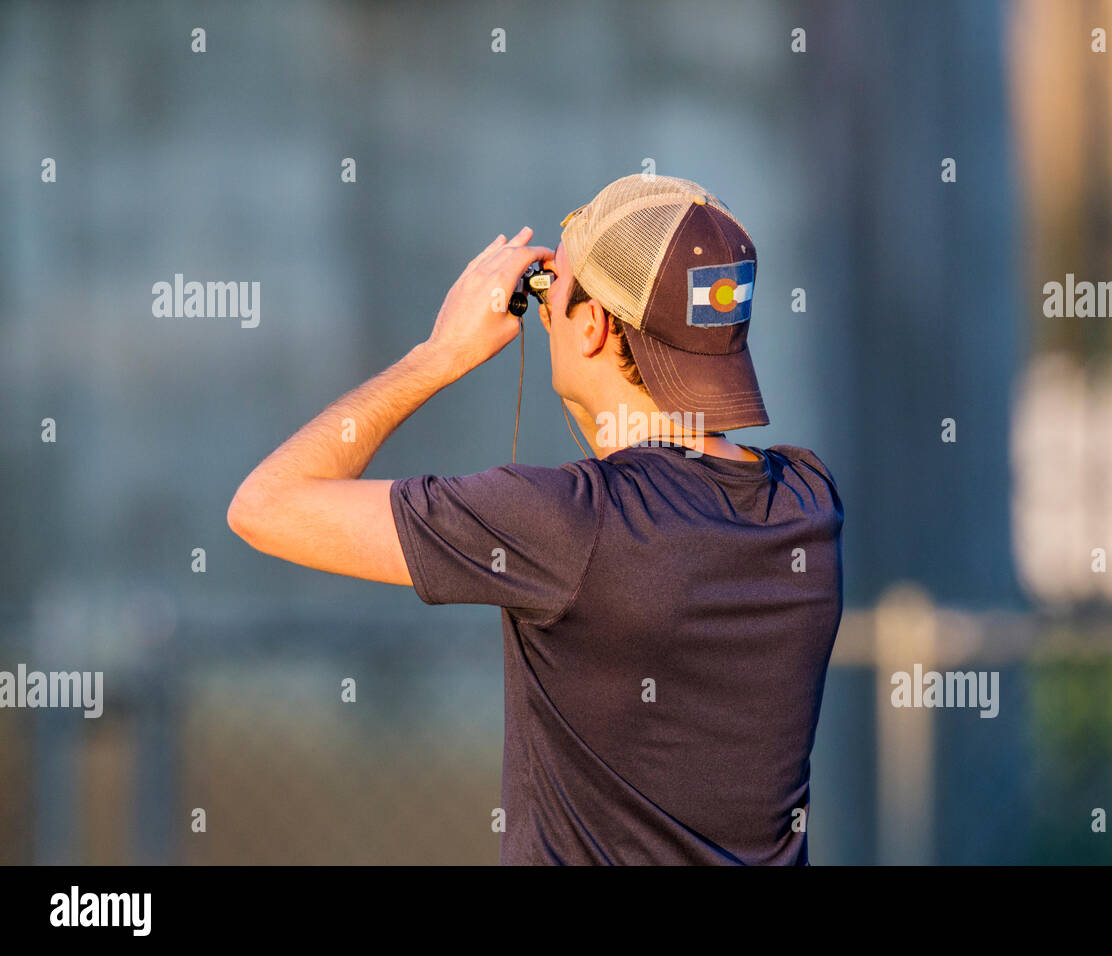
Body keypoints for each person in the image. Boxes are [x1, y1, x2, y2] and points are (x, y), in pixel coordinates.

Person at [227, 174, 844, 864]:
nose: (544, 311)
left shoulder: (564, 526)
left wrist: (435, 357)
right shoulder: (809, 503)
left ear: (592, 327)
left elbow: (264, 506)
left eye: (553, 292)